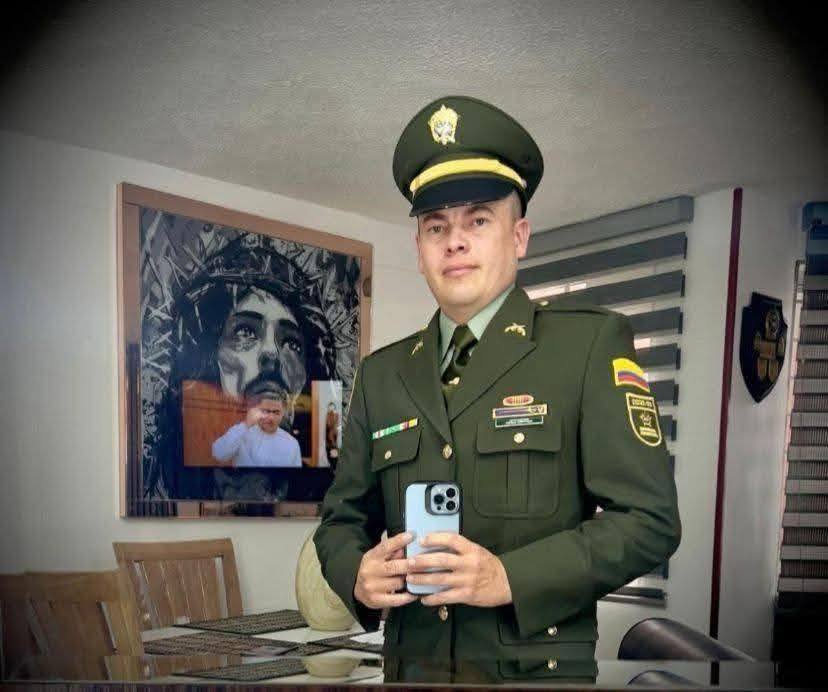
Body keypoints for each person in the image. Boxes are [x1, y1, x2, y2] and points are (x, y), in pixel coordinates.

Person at [313, 96, 681, 677]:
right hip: (412, 672)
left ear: (519, 236)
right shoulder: (382, 374)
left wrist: (510, 577)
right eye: (436, 226)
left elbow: (649, 521)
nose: (454, 241)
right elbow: (341, 519)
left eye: (478, 220)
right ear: (419, 250)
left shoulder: (587, 346)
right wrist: (356, 573)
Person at [212, 388, 303, 468]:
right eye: (266, 411)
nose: (271, 417)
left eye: (276, 412)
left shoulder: (292, 444)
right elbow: (218, 454)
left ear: (283, 413)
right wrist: (246, 425)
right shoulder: (242, 433)